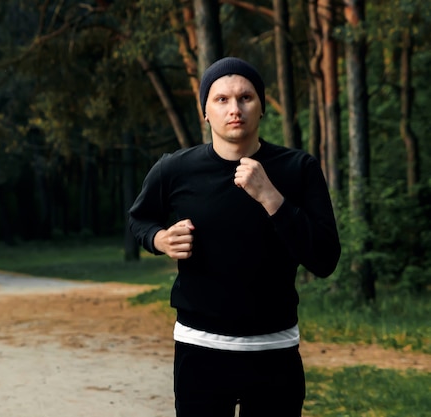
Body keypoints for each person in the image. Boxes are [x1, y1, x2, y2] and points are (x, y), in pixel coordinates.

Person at [128, 57, 341, 417]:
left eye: (246, 97)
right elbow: (140, 220)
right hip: (200, 350)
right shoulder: (175, 169)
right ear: (205, 113)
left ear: (261, 108)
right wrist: (160, 239)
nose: (235, 108)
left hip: (275, 351)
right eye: (221, 99)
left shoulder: (298, 169)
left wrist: (271, 197)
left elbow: (325, 259)